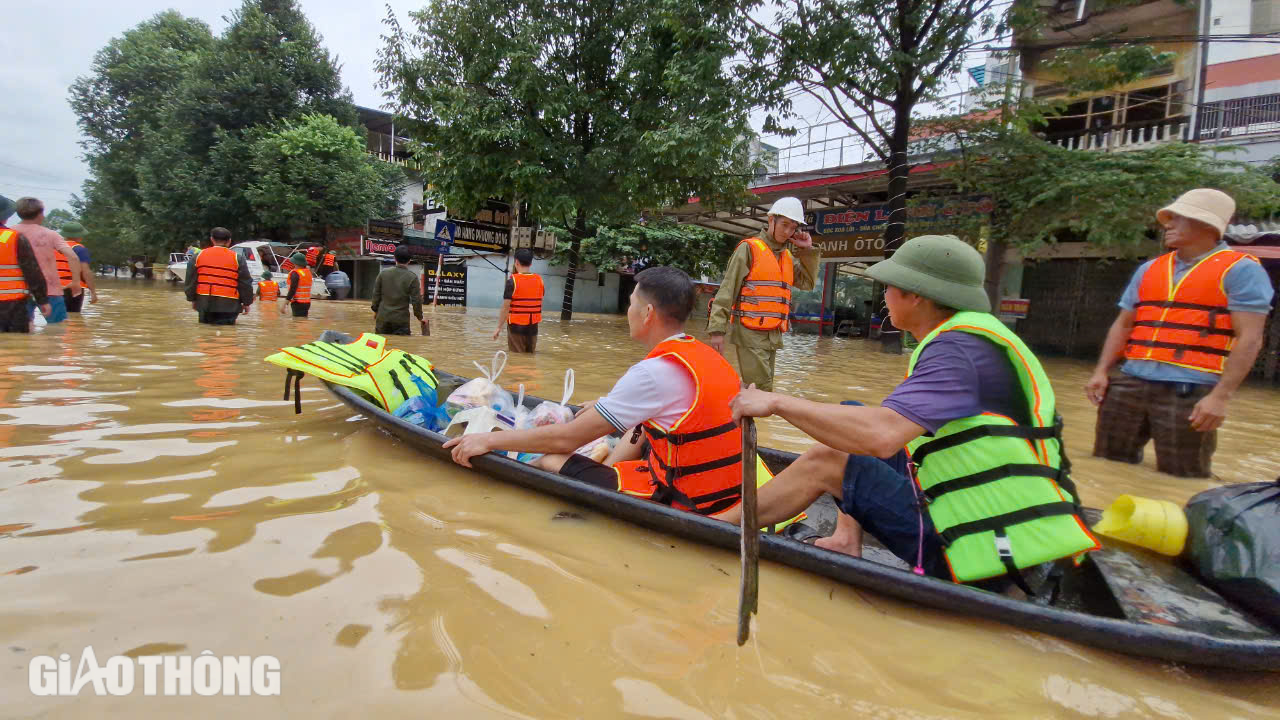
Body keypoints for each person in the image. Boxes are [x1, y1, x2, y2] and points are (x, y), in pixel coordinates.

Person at [722, 235, 1098, 592]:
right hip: (1002, 525)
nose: (883, 296)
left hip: (979, 553)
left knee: (830, 459)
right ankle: (844, 541)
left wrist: (777, 402)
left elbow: (881, 437)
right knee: (851, 412)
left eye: (889, 286)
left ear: (915, 295)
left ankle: (711, 527)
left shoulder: (957, 351)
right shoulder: (969, 337)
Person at [446, 266, 749, 517]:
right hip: (723, 491)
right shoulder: (704, 356)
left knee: (553, 458)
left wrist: (488, 439)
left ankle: (516, 513)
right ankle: (599, 481)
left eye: (631, 304)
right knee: (620, 434)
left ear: (647, 313)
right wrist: (606, 409)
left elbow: (566, 438)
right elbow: (657, 417)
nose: (628, 310)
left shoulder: (651, 373)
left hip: (687, 500)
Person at [1086, 189, 1273, 478]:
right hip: (1130, 382)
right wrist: (1101, 371)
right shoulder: (1150, 269)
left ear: (1206, 225)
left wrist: (1220, 397)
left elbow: (1250, 338)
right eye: (1169, 218)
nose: (1167, 224)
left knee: (1183, 477)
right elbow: (1124, 324)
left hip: (1190, 389)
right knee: (1105, 468)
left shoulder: (1242, 270)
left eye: (1178, 218)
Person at [707, 196, 819, 391]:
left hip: (772, 336)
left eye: (793, 228)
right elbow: (727, 290)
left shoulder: (787, 257)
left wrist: (808, 251)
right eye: (784, 225)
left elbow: (807, 284)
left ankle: (735, 415)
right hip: (750, 333)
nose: (788, 232)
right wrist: (717, 330)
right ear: (770, 220)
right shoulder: (749, 248)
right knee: (761, 391)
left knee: (760, 390)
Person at [12, 197, 80, 325]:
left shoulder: (9, 233)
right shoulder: (51, 235)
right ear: (40, 214)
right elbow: (73, 257)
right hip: (50, 289)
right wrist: (76, 281)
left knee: (23, 330)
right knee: (58, 329)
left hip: (18, 290)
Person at [0, 195, 51, 332]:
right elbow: (32, 272)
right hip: (12, 304)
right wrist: (42, 300)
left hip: (12, 303)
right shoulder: (14, 238)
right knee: (16, 348)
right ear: (5, 217)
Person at [185, 227, 253, 325]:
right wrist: (247, 303)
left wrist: (192, 299)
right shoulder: (237, 258)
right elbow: (245, 283)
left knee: (205, 335)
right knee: (226, 336)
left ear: (212, 239)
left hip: (205, 302)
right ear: (229, 241)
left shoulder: (198, 256)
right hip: (229, 305)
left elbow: (191, 280)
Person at [494, 248, 543, 353]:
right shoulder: (539, 280)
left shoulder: (512, 281)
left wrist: (498, 327)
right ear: (530, 263)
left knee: (517, 358)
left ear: (516, 262)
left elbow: (505, 307)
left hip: (516, 327)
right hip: (533, 327)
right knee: (530, 356)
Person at [371, 246, 424, 334]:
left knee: (382, 345)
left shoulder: (383, 274)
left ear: (394, 258)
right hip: (401, 321)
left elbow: (376, 296)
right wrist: (420, 317)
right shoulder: (412, 278)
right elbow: (416, 301)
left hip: (383, 319)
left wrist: (375, 311)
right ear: (409, 260)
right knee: (401, 346)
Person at [56, 222, 97, 312]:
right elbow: (86, 272)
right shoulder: (80, 249)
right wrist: (93, 292)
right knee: (73, 320)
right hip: (73, 289)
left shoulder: (54, 247)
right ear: (79, 235)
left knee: (56, 319)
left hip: (54, 289)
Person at [280, 252, 314, 318]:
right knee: (302, 322)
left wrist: (284, 304)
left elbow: (293, 289)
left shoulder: (295, 273)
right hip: (307, 302)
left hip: (297, 303)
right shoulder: (307, 272)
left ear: (295, 263)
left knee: (297, 322)